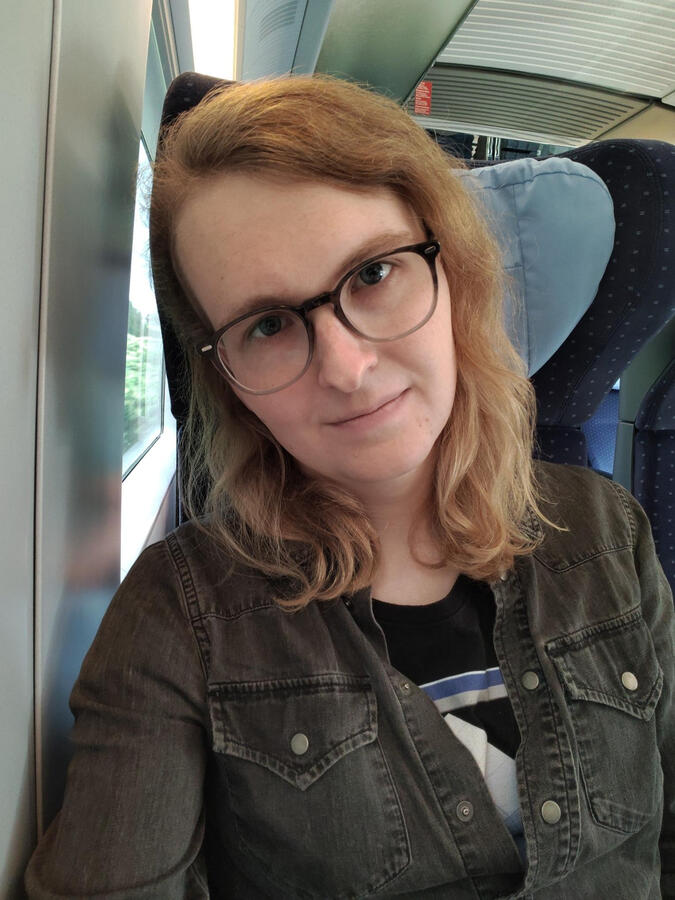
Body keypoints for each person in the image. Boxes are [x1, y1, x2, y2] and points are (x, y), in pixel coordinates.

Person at [26, 75, 673, 899]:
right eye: (267, 324)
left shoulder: (607, 532)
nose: (346, 367)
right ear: (229, 384)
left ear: (455, 276)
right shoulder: (178, 618)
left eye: (371, 274)